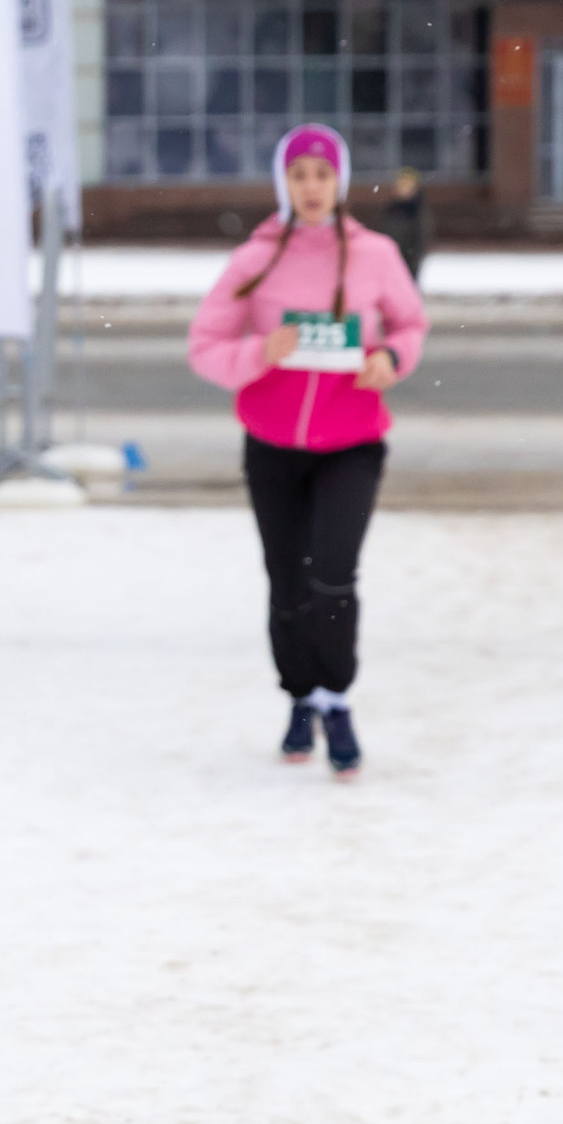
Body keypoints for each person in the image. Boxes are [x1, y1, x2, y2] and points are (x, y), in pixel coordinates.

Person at [188, 123, 428, 778]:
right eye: (300, 176)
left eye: (323, 175)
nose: (312, 188)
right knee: (287, 582)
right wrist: (257, 353)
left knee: (333, 576)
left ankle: (338, 700)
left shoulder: (375, 254)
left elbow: (410, 325)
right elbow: (204, 346)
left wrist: (390, 358)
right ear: (283, 184)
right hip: (272, 446)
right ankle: (299, 698)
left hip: (352, 443)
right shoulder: (255, 260)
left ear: (340, 182)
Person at [379, 165, 430, 281]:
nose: (402, 188)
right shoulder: (391, 209)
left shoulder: (417, 211)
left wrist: (411, 267)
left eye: (406, 185)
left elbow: (420, 241)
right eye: (400, 184)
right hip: (390, 263)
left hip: (407, 264)